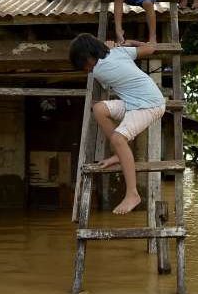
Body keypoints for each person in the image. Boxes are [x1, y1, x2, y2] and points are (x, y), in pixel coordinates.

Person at [69, 33, 166, 215]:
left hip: (150, 104)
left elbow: (104, 70)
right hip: (134, 102)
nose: (87, 70)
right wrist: (131, 42)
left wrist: (116, 48)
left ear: (89, 57)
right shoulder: (120, 52)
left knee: (118, 137)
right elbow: (152, 47)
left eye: (84, 65)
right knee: (99, 109)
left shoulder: (99, 71)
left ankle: (132, 194)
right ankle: (117, 154)